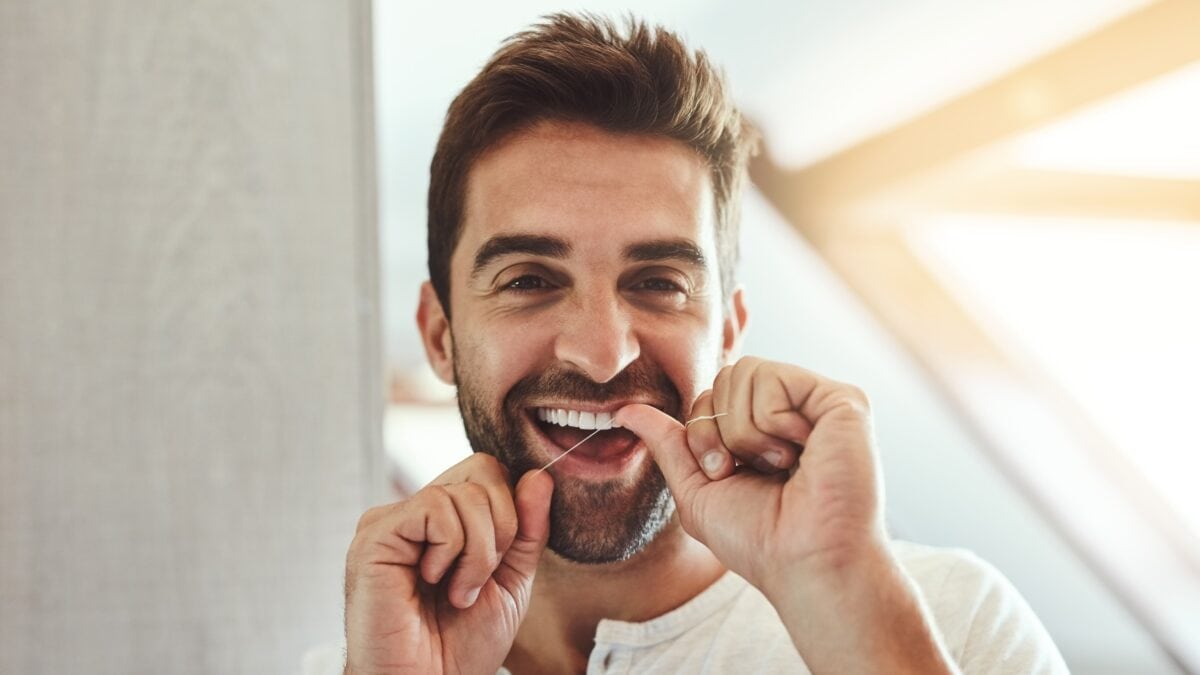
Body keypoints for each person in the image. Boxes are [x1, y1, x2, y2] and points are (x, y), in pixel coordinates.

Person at [330, 12, 1068, 675]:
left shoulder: (954, 626)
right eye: (528, 280)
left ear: (727, 333)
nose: (602, 353)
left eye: (657, 282)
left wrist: (846, 600)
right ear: (439, 334)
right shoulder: (374, 660)